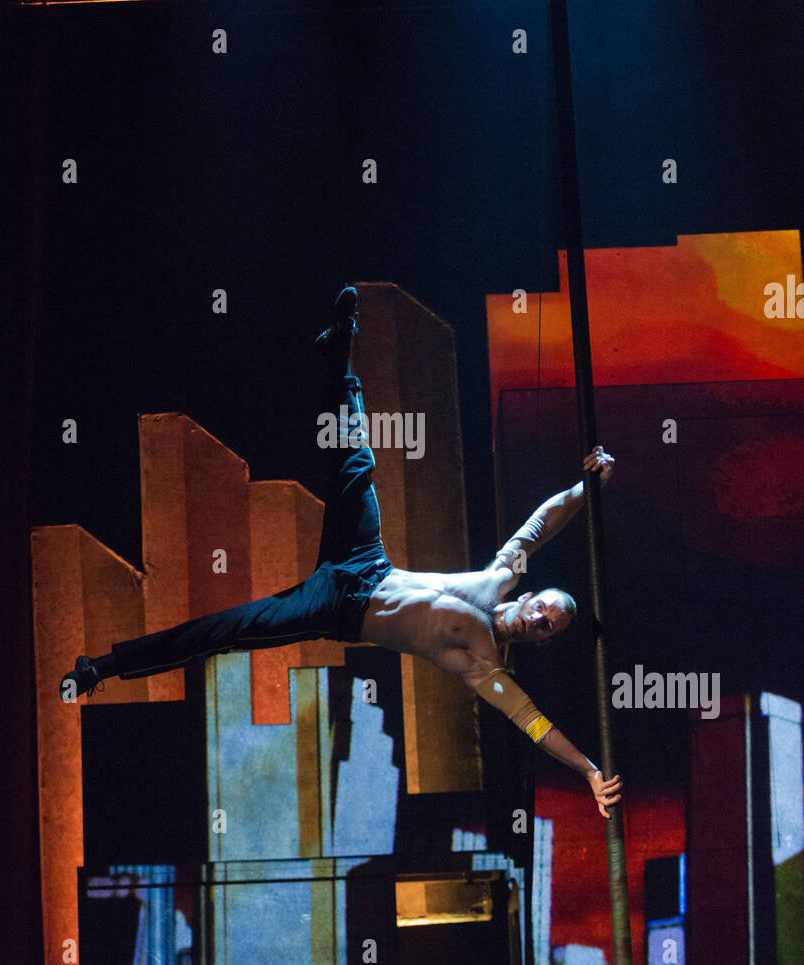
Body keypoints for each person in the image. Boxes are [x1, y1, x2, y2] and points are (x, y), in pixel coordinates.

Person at [61, 287, 622, 819]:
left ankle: (104, 666)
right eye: (543, 607)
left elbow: (533, 723)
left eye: (546, 626)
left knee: (225, 629)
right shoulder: (499, 578)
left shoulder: (484, 666)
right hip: (366, 559)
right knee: (358, 463)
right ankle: (339, 355)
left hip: (334, 608)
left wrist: (590, 769)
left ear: (542, 640)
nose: (537, 619)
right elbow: (538, 527)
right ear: (529, 596)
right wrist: (586, 489)